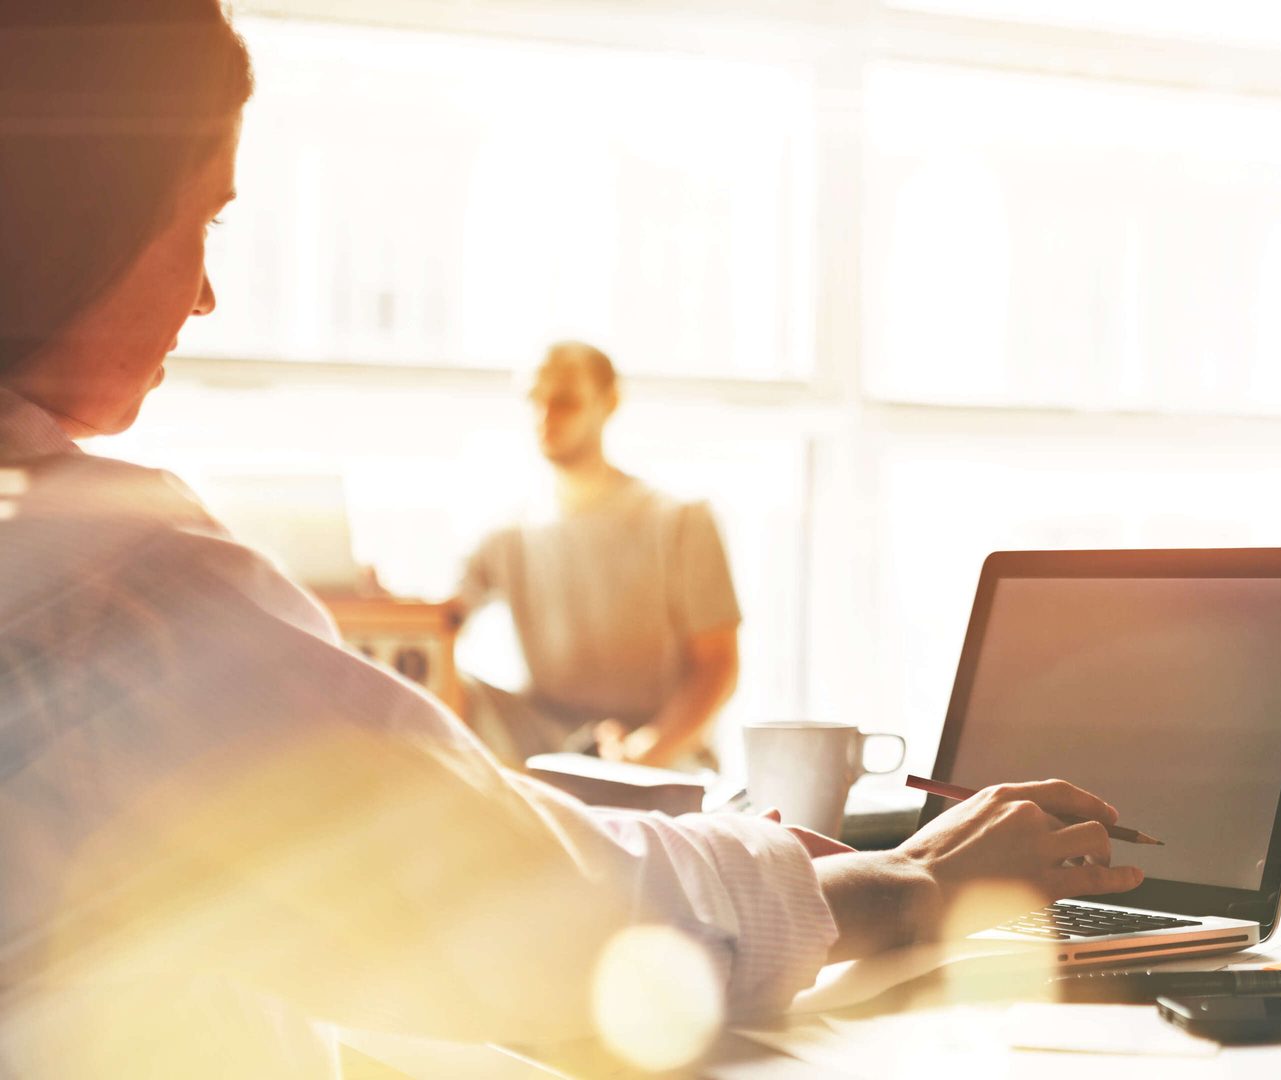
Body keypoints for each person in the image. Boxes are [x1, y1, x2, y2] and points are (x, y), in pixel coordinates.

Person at [0, 4, 1144, 1075]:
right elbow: (510, 906)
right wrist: (907, 885)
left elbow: (696, 683)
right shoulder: (108, 579)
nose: (207, 294)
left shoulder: (672, 518)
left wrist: (680, 802)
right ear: (82, 212)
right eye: (203, 216)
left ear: (605, 404)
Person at [457, 341, 740, 770]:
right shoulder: (505, 536)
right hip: (543, 756)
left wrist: (647, 749)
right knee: (454, 684)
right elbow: (437, 625)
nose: (545, 416)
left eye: (565, 401)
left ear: (609, 403)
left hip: (658, 755)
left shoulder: (682, 522)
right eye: (535, 399)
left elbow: (718, 666)